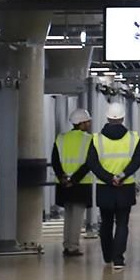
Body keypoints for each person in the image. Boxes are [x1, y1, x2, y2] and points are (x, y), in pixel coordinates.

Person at [92, 103, 140, 271]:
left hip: (104, 187)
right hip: (125, 186)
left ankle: (107, 255)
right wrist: (122, 175)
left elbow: (92, 163)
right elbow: (137, 160)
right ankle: (118, 259)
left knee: (106, 222)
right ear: (122, 118)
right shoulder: (133, 138)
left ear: (107, 118)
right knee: (122, 223)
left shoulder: (96, 139)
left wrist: (108, 178)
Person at [52, 107, 95, 259]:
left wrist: (63, 177)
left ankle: (67, 245)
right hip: (80, 184)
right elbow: (89, 163)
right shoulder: (89, 140)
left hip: (62, 184)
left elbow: (55, 161)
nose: (89, 123)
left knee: (68, 215)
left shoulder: (61, 138)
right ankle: (73, 247)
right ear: (82, 123)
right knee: (77, 217)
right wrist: (74, 179)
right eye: (87, 121)